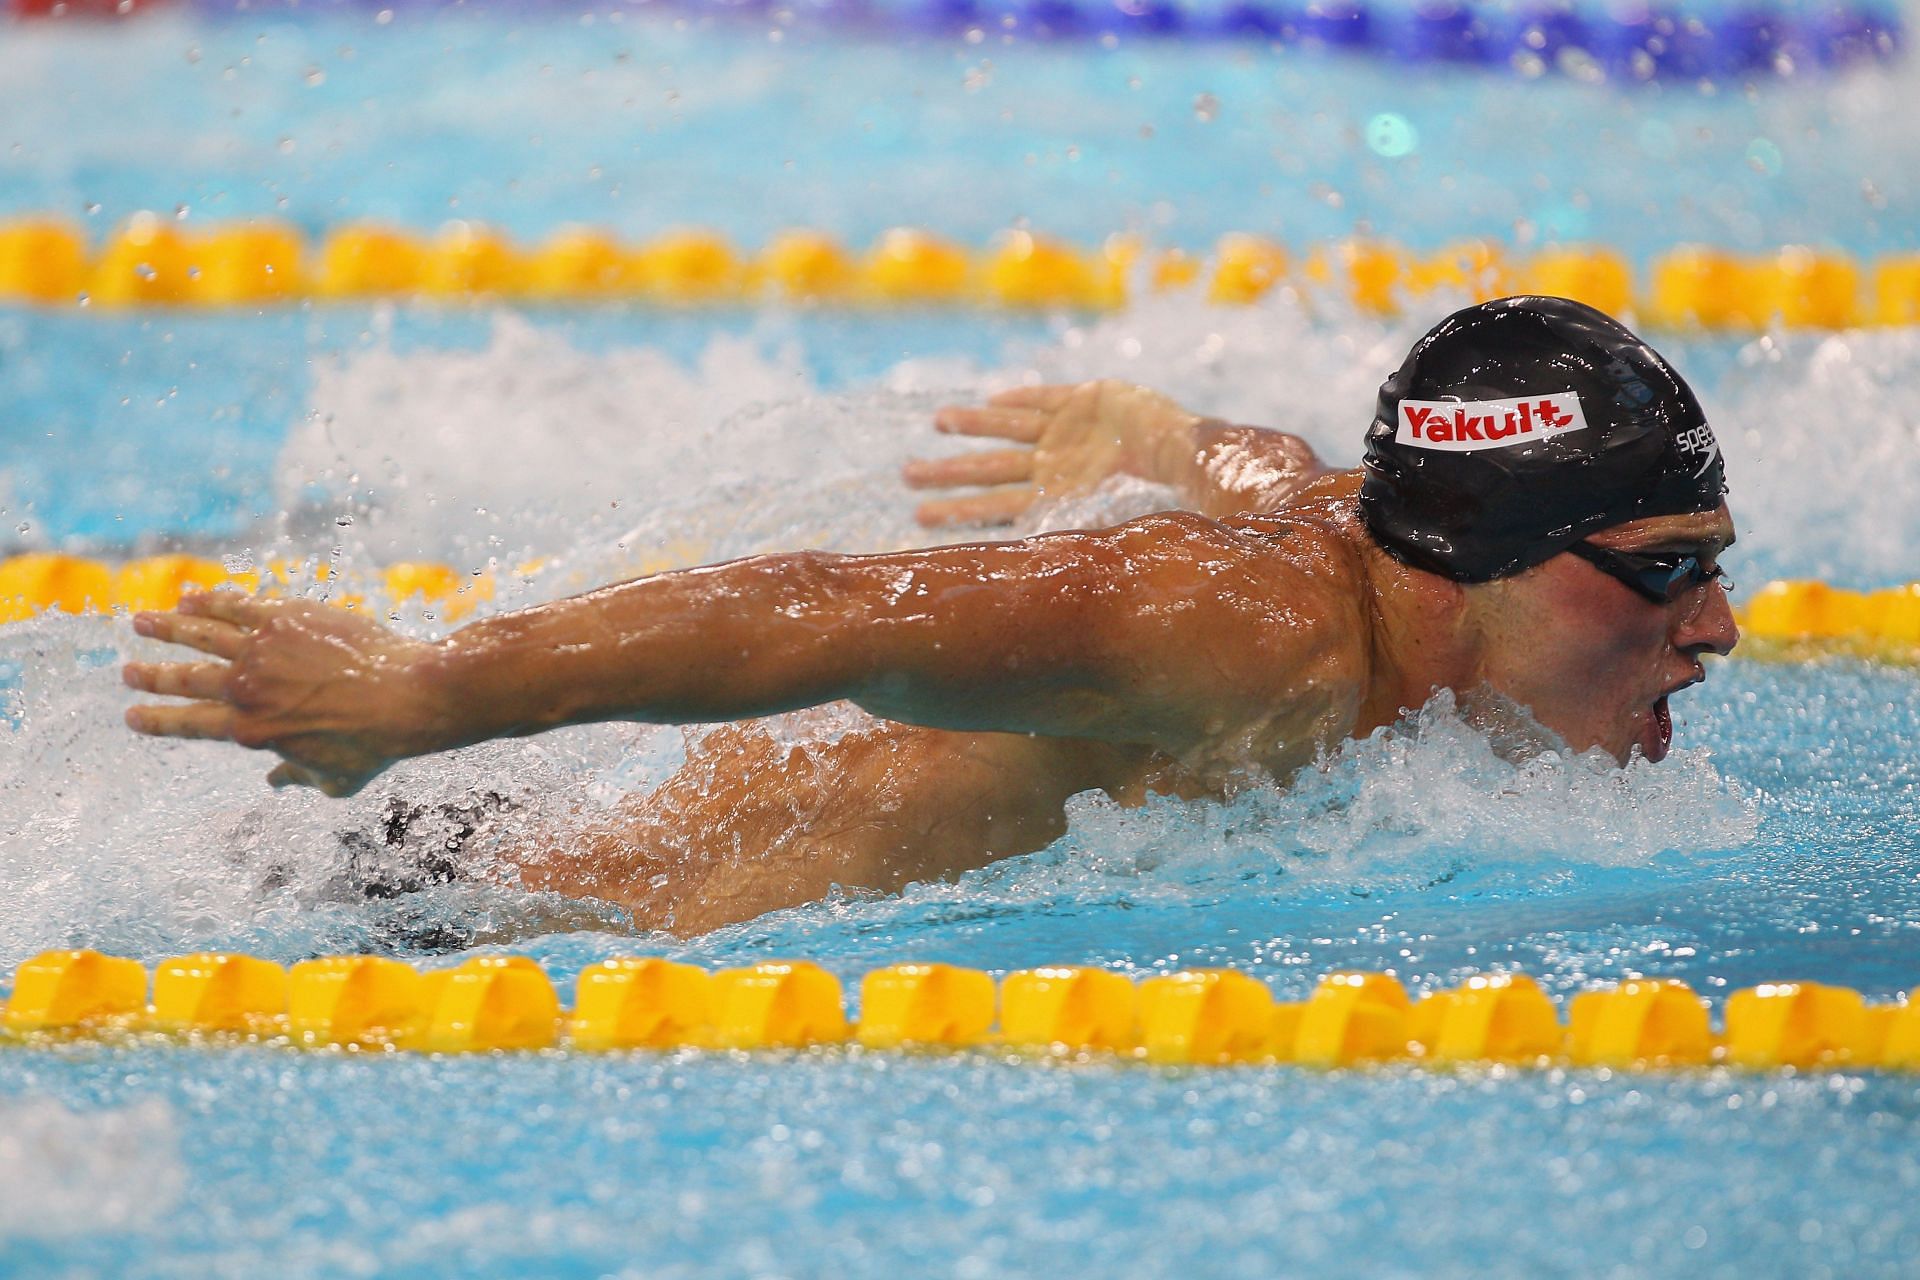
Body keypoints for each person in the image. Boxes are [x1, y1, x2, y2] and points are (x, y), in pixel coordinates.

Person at [122, 296, 1738, 934]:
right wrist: (426, 692)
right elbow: (828, 611)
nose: (1716, 625)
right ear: (1488, 562)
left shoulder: (1375, 554)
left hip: (481, 869)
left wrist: (1145, 427)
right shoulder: (1252, 635)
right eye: (1664, 567)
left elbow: (1286, 470)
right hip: (473, 919)